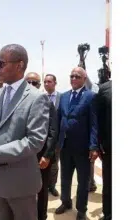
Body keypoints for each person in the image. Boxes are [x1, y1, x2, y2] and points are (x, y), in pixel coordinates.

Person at [0, 44, 51, 220]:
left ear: (19, 65)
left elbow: (34, 141)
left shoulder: (37, 98)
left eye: (1, 63)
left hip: (20, 183)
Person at [55, 67, 99, 220]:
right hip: (65, 146)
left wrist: (93, 146)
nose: (74, 79)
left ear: (84, 78)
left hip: (82, 148)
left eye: (77, 76)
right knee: (65, 178)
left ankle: (81, 209)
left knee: (83, 181)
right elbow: (58, 119)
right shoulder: (64, 96)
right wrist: (56, 142)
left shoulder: (91, 96)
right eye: (72, 76)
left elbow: (94, 123)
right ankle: (66, 202)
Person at [25, 72, 58, 220]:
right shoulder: (19, 103)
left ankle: (41, 216)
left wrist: (47, 155)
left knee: (42, 190)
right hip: (23, 156)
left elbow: (52, 131)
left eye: (35, 83)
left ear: (39, 86)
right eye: (29, 82)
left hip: (41, 157)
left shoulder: (47, 102)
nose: (32, 85)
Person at [43, 73, 62, 197]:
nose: (46, 84)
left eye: (49, 81)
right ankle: (43, 185)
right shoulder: (41, 97)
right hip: (43, 137)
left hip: (58, 138)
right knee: (43, 162)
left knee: (55, 165)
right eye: (45, 82)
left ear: (55, 83)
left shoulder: (63, 97)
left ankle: (52, 186)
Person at [96, 78, 112, 220]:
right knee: (108, 182)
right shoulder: (105, 89)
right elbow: (98, 119)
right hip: (110, 147)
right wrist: (98, 144)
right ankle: (108, 213)